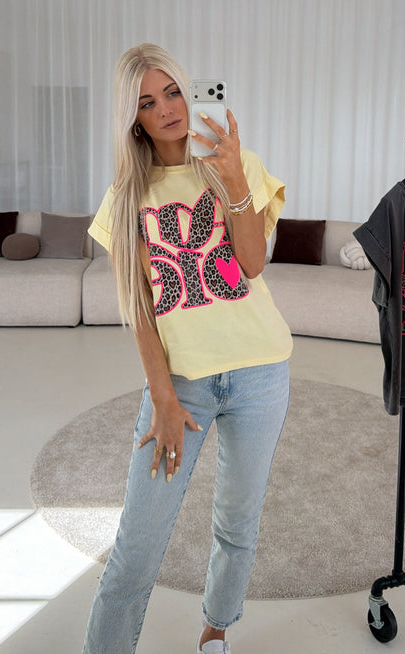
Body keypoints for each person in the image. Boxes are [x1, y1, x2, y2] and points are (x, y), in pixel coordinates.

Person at [82, 43, 293, 654]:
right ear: (134, 119)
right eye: (148, 102)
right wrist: (163, 398)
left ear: (189, 89)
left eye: (173, 91)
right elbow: (140, 311)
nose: (167, 109)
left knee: (237, 523)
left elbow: (251, 264)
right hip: (183, 385)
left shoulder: (236, 164)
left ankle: (215, 631)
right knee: (136, 548)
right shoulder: (127, 195)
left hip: (260, 371)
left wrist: (234, 180)